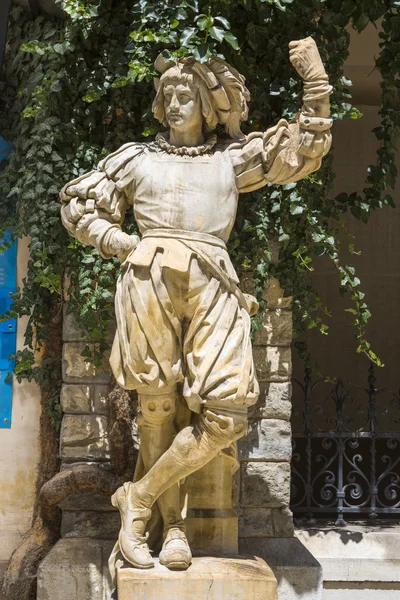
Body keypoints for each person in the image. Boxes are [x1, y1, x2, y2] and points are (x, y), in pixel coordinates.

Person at [60, 37, 332, 575]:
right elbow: (79, 205)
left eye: (188, 93)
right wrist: (119, 243)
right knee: (157, 406)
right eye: (170, 93)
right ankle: (172, 527)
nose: (177, 101)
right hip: (149, 275)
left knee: (227, 412)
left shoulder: (232, 160)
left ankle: (136, 497)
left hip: (213, 281)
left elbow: (299, 150)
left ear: (209, 106)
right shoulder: (137, 159)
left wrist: (317, 88)